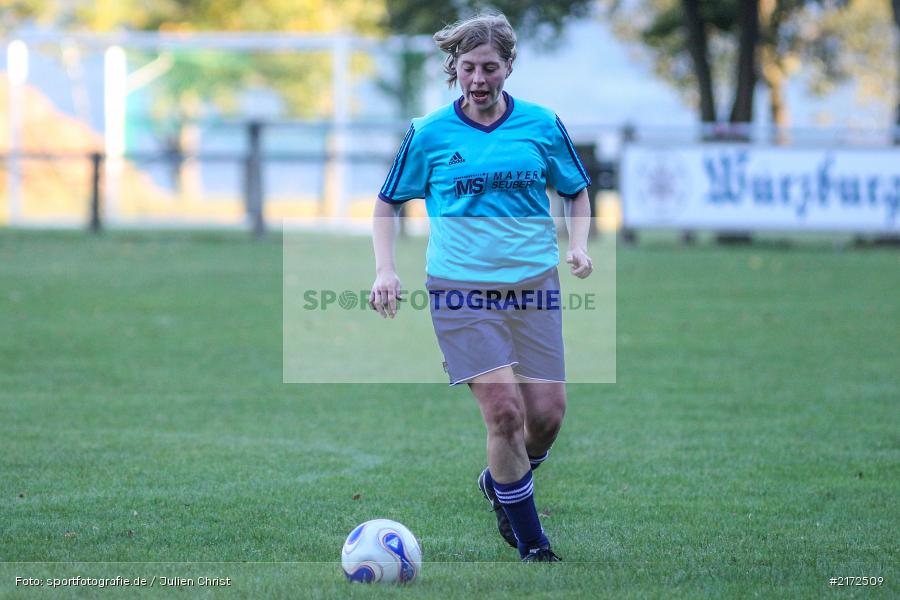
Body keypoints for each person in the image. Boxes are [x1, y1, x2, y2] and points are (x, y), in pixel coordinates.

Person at [369, 12, 593, 563]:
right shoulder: (429, 134)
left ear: (509, 67)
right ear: (455, 68)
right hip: (460, 289)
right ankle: (533, 545)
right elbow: (387, 203)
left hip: (533, 285)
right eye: (467, 67)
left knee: (547, 416)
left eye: (489, 67)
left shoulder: (542, 124)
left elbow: (576, 191)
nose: (478, 78)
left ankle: (502, 482)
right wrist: (385, 269)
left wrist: (578, 243)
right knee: (505, 413)